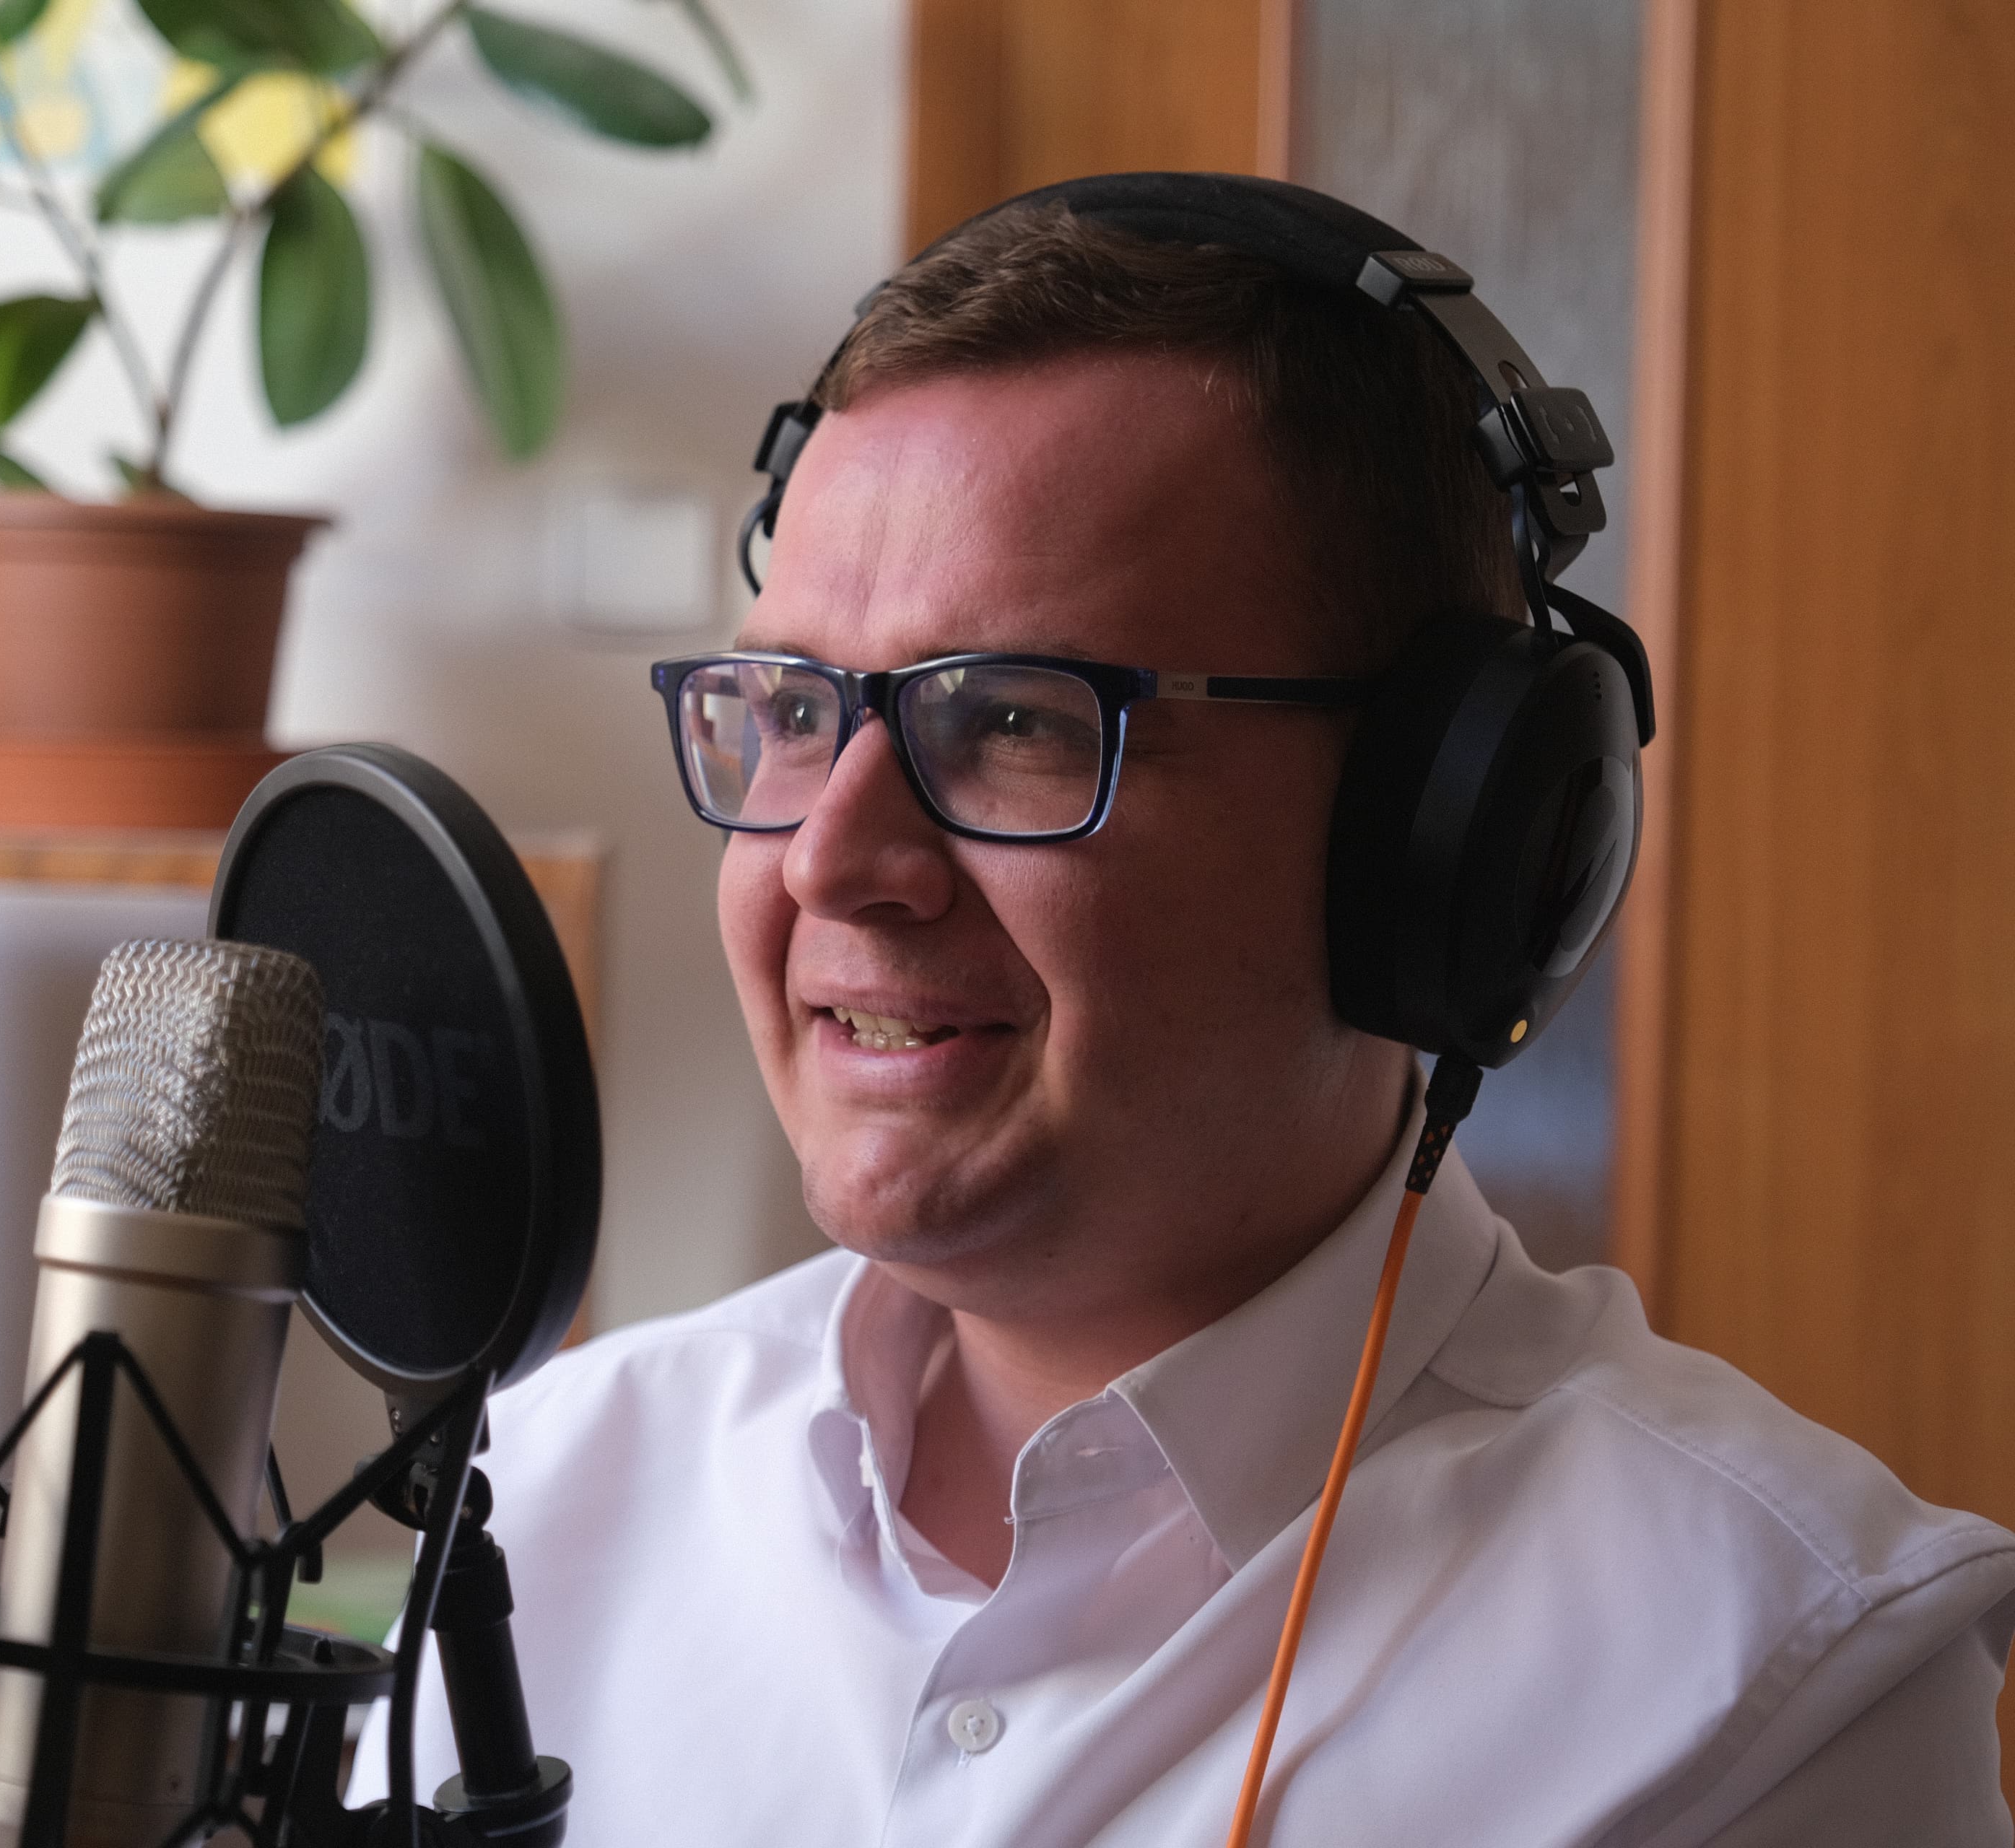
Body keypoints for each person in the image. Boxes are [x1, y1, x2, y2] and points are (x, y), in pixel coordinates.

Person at [358, 186, 2015, 1843]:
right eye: (791, 709)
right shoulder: (539, 1507)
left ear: (1430, 837)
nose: (832, 860)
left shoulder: (1771, 1690)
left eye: (1013, 718)